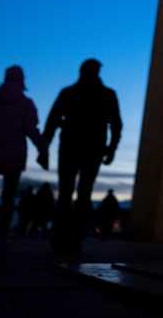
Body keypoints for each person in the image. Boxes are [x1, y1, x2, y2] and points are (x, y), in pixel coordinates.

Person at [43, 58, 122, 256]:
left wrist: (44, 147)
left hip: (72, 148)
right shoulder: (106, 95)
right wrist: (111, 149)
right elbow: (116, 125)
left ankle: (63, 238)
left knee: (68, 192)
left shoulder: (70, 93)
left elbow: (52, 121)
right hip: (91, 150)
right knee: (82, 193)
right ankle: (74, 239)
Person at [0, 64, 46, 250]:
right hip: (15, 157)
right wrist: (42, 148)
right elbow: (32, 130)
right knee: (8, 198)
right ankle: (1, 237)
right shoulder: (26, 103)